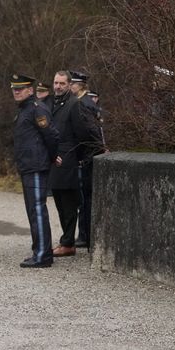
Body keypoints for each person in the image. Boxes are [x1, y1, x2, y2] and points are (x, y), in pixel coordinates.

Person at [10, 74, 61, 268]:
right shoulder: (25, 109)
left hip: (36, 166)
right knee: (33, 210)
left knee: (38, 210)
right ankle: (39, 249)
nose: (16, 92)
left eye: (20, 89)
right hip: (28, 166)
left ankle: (43, 255)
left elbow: (52, 136)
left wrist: (50, 157)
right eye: (14, 89)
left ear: (30, 90)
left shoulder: (36, 109)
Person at [47, 71, 99, 257]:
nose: (58, 86)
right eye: (55, 82)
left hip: (68, 160)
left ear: (69, 85)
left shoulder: (74, 105)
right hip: (55, 159)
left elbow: (83, 134)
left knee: (68, 203)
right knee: (60, 201)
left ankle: (68, 243)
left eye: (62, 83)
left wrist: (77, 158)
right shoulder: (53, 103)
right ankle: (67, 239)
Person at [69, 71, 106, 248]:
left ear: (79, 86)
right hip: (91, 153)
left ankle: (85, 236)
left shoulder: (82, 104)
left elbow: (91, 130)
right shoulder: (86, 102)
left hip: (88, 155)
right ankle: (85, 235)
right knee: (86, 198)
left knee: (85, 199)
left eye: (72, 84)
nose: (69, 87)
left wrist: (100, 148)